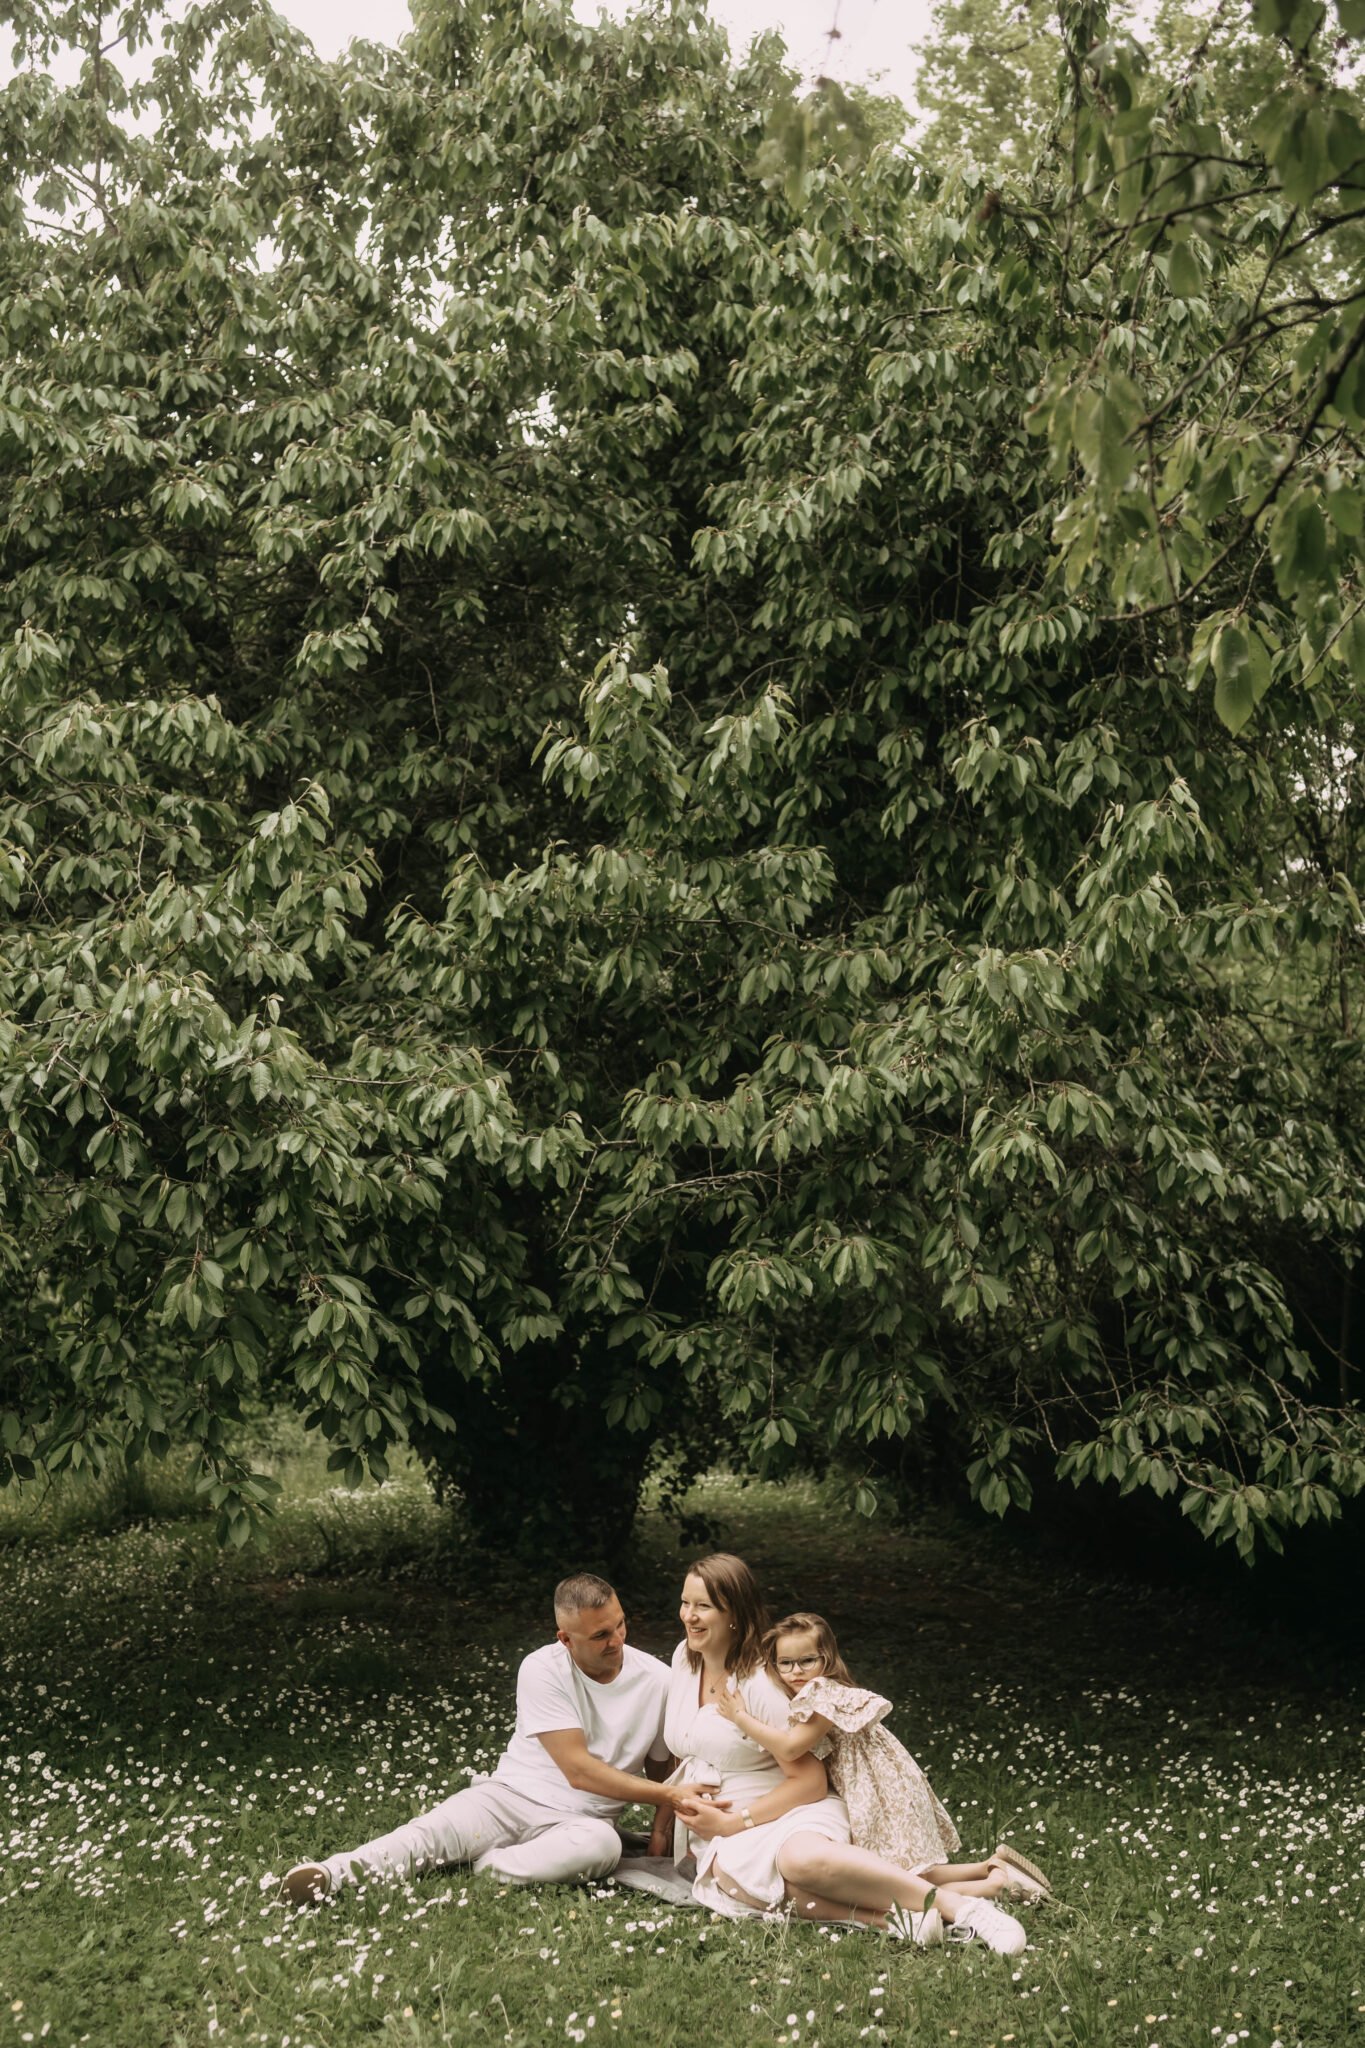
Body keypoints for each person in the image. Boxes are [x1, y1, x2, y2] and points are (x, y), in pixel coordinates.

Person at [653, 1554, 1028, 1953]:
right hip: (720, 1826)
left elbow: (810, 1781)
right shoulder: (683, 1659)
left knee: (798, 1865)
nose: (688, 1616)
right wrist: (663, 1826)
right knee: (740, 1883)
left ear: (734, 1613)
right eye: (685, 1602)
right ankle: (911, 1916)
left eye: (703, 1606)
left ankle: (965, 1908)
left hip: (785, 1810)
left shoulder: (759, 1684)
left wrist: (733, 1823)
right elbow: (688, 1752)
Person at [276, 1571, 717, 1906]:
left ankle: (494, 1865)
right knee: (426, 1835)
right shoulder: (542, 1668)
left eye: (620, 1625)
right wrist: (669, 1793)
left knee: (601, 1847)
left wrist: (662, 1828)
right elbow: (578, 1770)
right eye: (600, 1635)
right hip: (509, 1796)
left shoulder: (658, 1679)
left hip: (583, 1823)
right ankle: (328, 1875)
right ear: (565, 1639)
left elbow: (665, 1765)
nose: (617, 1640)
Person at [716, 1610, 1051, 1903]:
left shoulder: (823, 1692)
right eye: (785, 1663)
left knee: (892, 1876)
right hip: (869, 1780)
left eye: (807, 1661)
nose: (796, 1671)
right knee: (897, 1871)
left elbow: (791, 1747)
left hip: (877, 1784)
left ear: (827, 1658)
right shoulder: (807, 1692)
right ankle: (988, 1868)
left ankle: (994, 1887)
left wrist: (741, 1718)